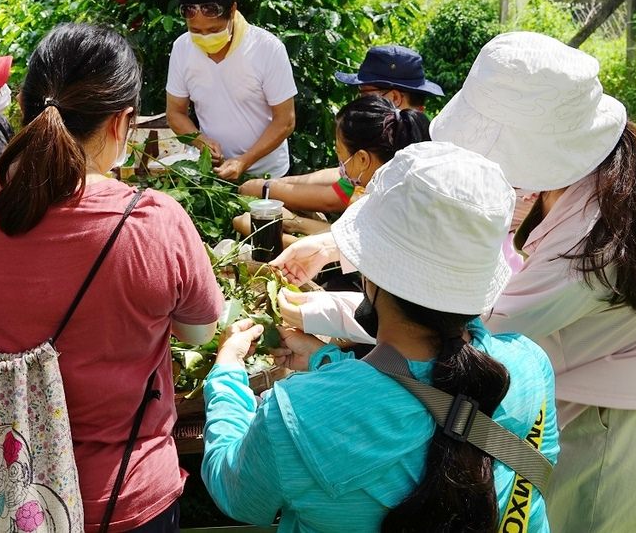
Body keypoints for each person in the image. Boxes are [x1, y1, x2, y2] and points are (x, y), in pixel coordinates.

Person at [273, 32, 636, 533]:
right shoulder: (594, 170)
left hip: (630, 424)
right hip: (588, 389)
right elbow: (456, 227)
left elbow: (458, 321)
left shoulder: (601, 235)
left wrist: (316, 312)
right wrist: (337, 244)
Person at [0, 23, 223, 532]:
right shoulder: (152, 222)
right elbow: (198, 331)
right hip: (117, 498)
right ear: (123, 123)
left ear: (21, 107)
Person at [429, 31, 636, 532]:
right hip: (602, 395)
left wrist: (338, 308)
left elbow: (479, 322)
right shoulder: (610, 170)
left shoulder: (599, 238)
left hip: (632, 426)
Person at [202, 142, 558, 533]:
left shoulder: (295, 415)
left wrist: (227, 375)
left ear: (369, 274)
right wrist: (327, 361)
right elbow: (429, 402)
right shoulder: (530, 364)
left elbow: (236, 492)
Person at [246, 45, 442, 204]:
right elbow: (341, 181)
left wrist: (265, 189)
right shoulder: (387, 133)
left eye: (363, 94)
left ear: (394, 98)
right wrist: (276, 183)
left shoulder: (411, 149)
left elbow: (334, 198)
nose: (357, 102)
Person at [166, 0, 297, 180]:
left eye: (214, 29)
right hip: (214, 173)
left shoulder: (267, 48)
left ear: (233, 10)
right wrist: (200, 141)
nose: (205, 37)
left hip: (268, 175)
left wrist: (243, 161)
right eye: (196, 31)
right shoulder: (182, 48)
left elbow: (285, 120)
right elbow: (175, 113)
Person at [237, 95, 430, 217]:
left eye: (339, 152)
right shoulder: (386, 168)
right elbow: (333, 180)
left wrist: (290, 221)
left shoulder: (388, 199)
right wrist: (270, 185)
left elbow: (340, 246)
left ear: (362, 159)